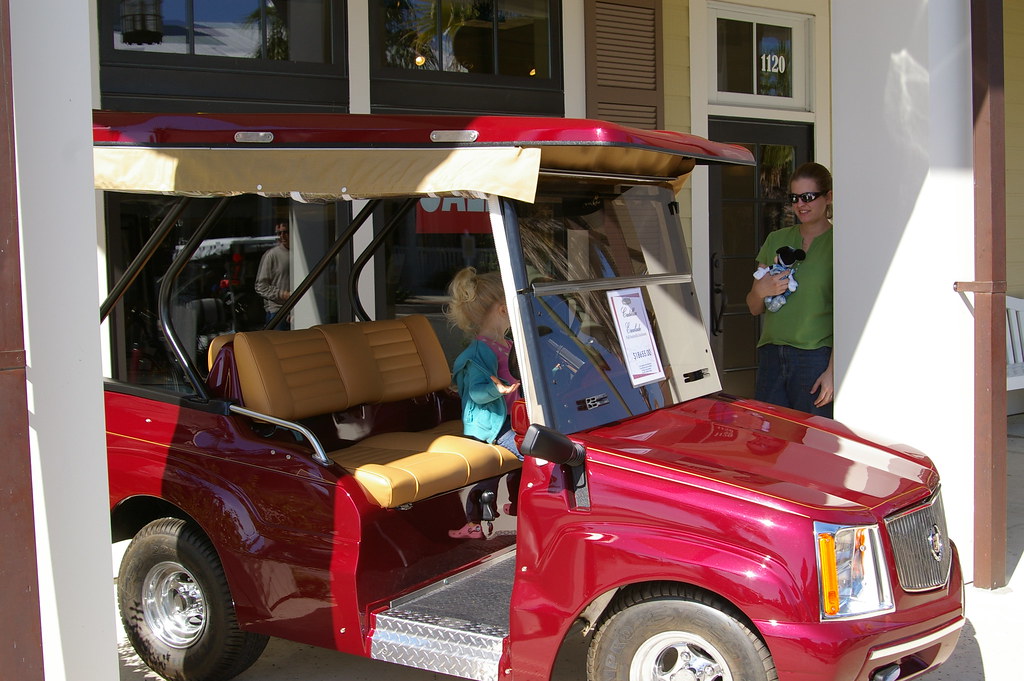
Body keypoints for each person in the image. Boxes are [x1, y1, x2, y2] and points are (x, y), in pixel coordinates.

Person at [746, 162, 834, 417]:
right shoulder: (776, 239)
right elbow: (753, 307)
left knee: (815, 439)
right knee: (769, 439)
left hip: (815, 358)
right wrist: (762, 290)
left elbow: (849, 316)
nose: (800, 205)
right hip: (772, 354)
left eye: (808, 197)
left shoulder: (841, 244)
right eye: (794, 198)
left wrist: (833, 372)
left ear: (828, 197)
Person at [445, 267, 522, 539]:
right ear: (502, 309)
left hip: (512, 418)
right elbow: (477, 394)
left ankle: (518, 504)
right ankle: (474, 522)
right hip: (492, 425)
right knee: (530, 453)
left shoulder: (507, 343)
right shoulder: (479, 351)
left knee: (530, 451)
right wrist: (498, 388)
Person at [255, 221, 290, 329]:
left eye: (285, 232)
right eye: (279, 233)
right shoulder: (271, 255)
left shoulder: (300, 253)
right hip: (278, 311)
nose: (282, 236)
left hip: (298, 310)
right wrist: (283, 294)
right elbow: (260, 286)